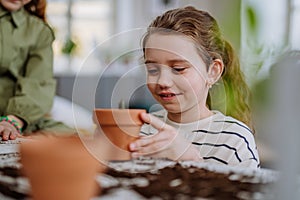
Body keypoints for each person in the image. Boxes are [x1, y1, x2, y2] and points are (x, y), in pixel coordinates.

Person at [129, 6, 260, 168]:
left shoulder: (234, 139)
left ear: (212, 72)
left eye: (178, 69)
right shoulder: (141, 132)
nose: (163, 81)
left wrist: (191, 161)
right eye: (153, 70)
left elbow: (245, 193)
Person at [0, 0, 73, 141]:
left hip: (20, 122)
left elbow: (38, 84)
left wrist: (12, 121)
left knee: (79, 141)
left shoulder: (39, 31)